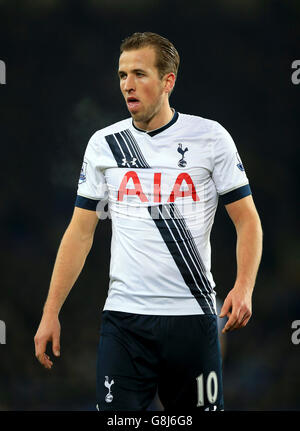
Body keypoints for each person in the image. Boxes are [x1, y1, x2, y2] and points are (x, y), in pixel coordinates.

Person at [34, 32, 263, 411]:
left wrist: (244, 286)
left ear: (167, 81)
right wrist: (50, 312)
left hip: (192, 319)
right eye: (122, 75)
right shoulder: (103, 144)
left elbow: (248, 221)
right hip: (124, 323)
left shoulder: (210, 137)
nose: (127, 84)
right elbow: (79, 232)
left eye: (139, 74)